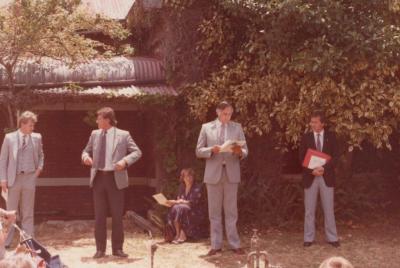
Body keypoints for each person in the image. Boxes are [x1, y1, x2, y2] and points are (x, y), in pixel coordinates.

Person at [82, 107, 142, 258]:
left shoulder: (123, 135)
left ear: (107, 119)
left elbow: (137, 152)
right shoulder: (94, 134)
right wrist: (85, 158)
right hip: (98, 178)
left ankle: (117, 249)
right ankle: (100, 249)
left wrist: (124, 161)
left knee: (117, 215)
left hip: (116, 178)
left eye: (99, 118)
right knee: (99, 216)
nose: (96, 121)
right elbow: (85, 151)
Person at [196, 101, 248, 256]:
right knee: (214, 212)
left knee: (232, 211)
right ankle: (216, 245)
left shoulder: (237, 127)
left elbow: (245, 150)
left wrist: (240, 152)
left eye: (230, 113)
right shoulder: (206, 127)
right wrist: (211, 150)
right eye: (225, 113)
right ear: (218, 112)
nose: (228, 116)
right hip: (213, 174)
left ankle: (234, 244)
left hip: (231, 173)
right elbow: (198, 150)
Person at [0, 111, 44, 247]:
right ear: (23, 124)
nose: (33, 128)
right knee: (10, 212)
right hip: (13, 179)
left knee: (28, 212)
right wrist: (3, 180)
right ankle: (6, 242)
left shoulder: (37, 137)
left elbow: (41, 155)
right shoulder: (9, 138)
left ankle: (28, 242)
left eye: (33, 125)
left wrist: (39, 170)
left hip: (29, 177)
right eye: (30, 125)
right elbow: (3, 160)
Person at [299, 110, 340, 247]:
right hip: (310, 177)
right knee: (309, 210)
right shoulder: (306, 137)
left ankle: (332, 237)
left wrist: (324, 169)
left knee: (328, 209)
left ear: (323, 123)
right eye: (311, 122)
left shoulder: (332, 137)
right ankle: (308, 238)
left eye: (315, 122)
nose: (312, 124)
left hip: (326, 177)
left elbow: (336, 157)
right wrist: (312, 170)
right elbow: (301, 158)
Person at [166, 168, 206, 244]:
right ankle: (177, 234)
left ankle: (182, 234)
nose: (189, 178)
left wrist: (181, 202)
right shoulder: (181, 187)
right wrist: (172, 202)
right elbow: (178, 200)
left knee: (180, 208)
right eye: (187, 176)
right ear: (183, 178)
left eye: (191, 176)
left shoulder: (197, 187)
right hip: (183, 209)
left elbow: (194, 202)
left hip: (195, 210)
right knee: (175, 207)